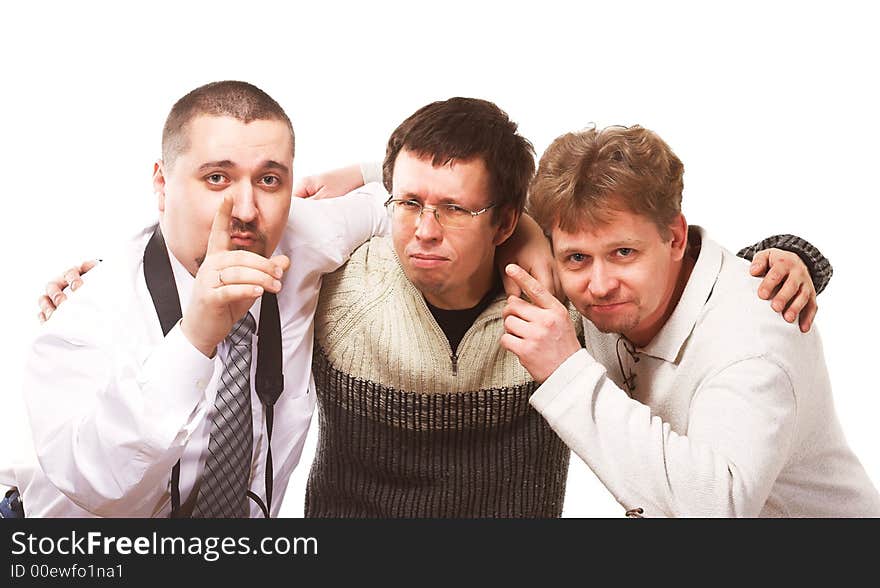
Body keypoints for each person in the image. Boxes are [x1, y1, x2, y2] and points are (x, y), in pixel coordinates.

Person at [299, 99, 826, 517]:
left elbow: (715, 509)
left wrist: (787, 262)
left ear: (504, 223)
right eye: (409, 203)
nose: (598, 285)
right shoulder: (340, 288)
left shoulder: (571, 305)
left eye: (456, 209)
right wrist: (369, 173)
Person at [0, 81, 392, 517]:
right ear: (162, 184)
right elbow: (92, 484)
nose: (245, 209)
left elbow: (406, 201)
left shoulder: (305, 236)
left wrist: (362, 171)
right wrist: (194, 339)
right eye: (217, 178)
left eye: (269, 179)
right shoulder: (86, 315)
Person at [501, 124, 880, 516]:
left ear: (676, 238)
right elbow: (484, 221)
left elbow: (713, 511)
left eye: (624, 252)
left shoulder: (752, 346)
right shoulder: (616, 292)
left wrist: (567, 372)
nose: (598, 286)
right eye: (577, 257)